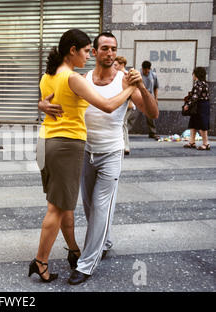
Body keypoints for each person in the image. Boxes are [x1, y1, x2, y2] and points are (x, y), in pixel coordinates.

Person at [38, 32, 158, 285]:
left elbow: (153, 113)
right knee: (90, 208)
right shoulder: (81, 78)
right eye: (104, 48)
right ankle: (106, 241)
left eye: (114, 49)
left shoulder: (126, 80)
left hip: (111, 153)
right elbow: (57, 100)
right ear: (93, 52)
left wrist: (141, 87)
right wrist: (42, 106)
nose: (110, 53)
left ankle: (86, 264)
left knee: (101, 207)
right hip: (82, 152)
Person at [183, 67, 210, 150]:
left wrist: (187, 105)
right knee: (193, 123)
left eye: (193, 73)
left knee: (201, 124)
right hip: (204, 104)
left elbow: (195, 97)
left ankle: (206, 143)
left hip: (199, 105)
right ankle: (192, 141)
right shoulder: (205, 83)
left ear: (196, 74)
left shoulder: (198, 83)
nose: (192, 75)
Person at [114, 56, 134, 155]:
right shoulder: (118, 75)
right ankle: (125, 146)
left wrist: (130, 101)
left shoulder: (125, 75)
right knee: (123, 124)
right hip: (122, 103)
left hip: (126, 103)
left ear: (122, 64)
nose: (114, 67)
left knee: (122, 124)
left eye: (116, 65)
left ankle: (125, 146)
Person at [138, 60, 159, 140]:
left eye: (146, 69)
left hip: (149, 97)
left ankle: (152, 133)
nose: (145, 71)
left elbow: (156, 87)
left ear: (149, 69)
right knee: (132, 116)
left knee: (150, 116)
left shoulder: (153, 75)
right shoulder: (138, 74)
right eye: (143, 69)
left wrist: (156, 99)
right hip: (139, 96)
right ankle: (125, 132)